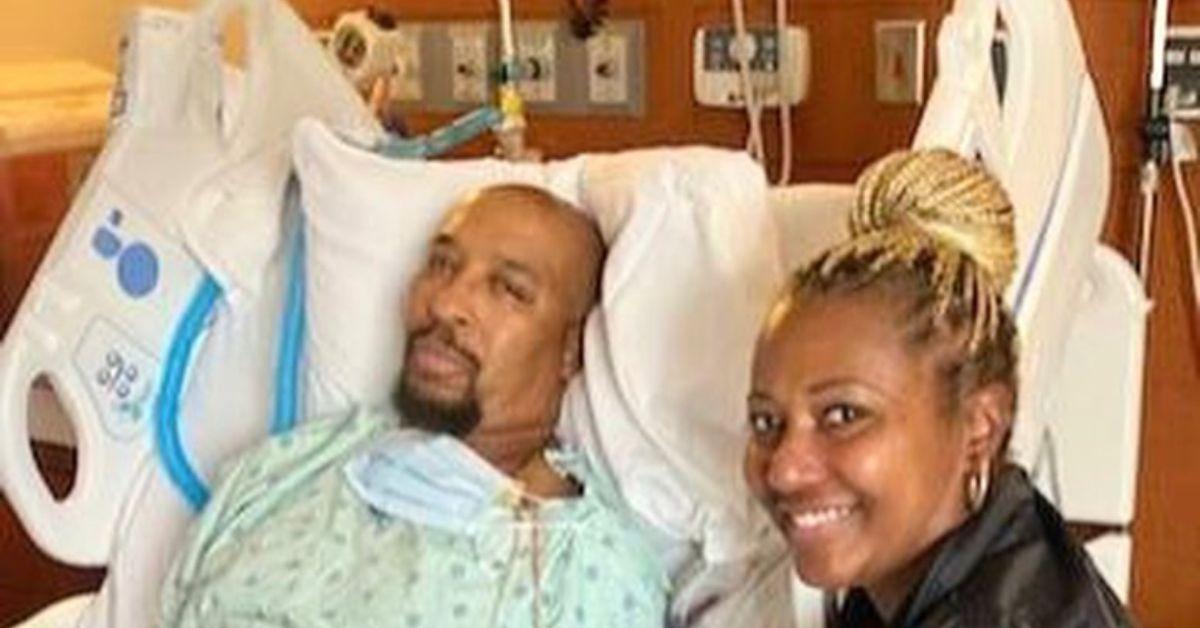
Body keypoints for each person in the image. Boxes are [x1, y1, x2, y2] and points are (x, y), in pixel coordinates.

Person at [159, 184, 669, 627]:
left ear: (570, 351)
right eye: (442, 265)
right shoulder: (281, 473)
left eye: (509, 290)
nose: (446, 304)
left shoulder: (583, 574)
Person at [743, 149, 1133, 627]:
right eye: (766, 421)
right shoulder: (970, 562)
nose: (784, 470)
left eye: (843, 415)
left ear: (978, 428)